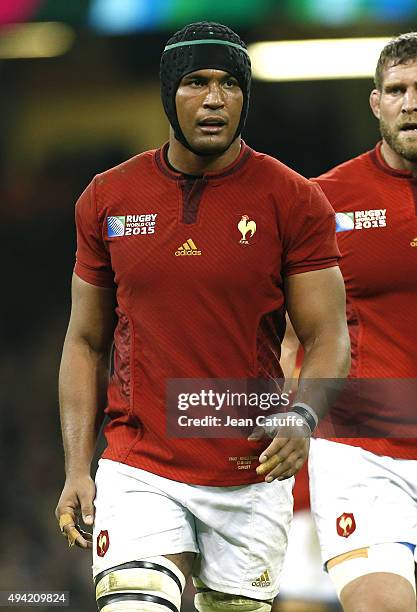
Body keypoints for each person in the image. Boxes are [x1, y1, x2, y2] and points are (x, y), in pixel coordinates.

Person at [55, 22, 350, 612]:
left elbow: (328, 336)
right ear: (168, 94)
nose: (214, 99)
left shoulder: (293, 200)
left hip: (251, 471)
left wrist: (302, 415)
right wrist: (76, 468)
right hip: (139, 466)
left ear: (246, 96)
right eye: (195, 82)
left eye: (229, 84)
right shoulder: (107, 199)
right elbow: (85, 341)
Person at [282, 32, 417, 612]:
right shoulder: (322, 204)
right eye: (397, 90)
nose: (411, 102)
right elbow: (288, 337)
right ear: (376, 103)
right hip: (364, 452)